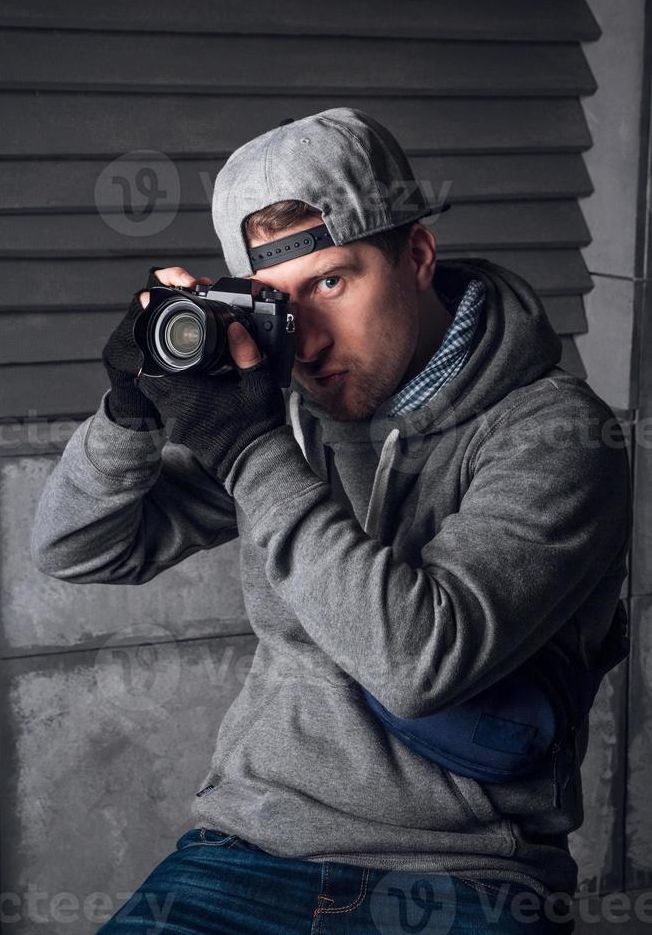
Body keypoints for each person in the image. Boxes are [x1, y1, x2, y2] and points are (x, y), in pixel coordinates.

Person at [31, 108, 631, 934]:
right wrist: (128, 414)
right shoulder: (288, 416)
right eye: (277, 302)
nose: (306, 340)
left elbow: (421, 661)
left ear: (415, 256)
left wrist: (249, 449)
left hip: (468, 874)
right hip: (244, 849)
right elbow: (74, 548)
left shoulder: (557, 437)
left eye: (331, 283)